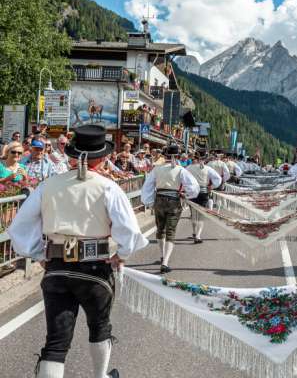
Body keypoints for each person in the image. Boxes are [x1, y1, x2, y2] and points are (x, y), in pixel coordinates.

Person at [8, 124, 149, 378]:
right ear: (103, 157)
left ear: (72, 154)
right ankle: (100, 376)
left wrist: (40, 254)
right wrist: (121, 256)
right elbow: (129, 231)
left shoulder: (48, 186)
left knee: (56, 342)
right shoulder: (108, 187)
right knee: (99, 327)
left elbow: (19, 227)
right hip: (95, 267)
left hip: (57, 266)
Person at [142, 145, 200, 273]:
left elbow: (147, 187)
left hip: (159, 200)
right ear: (178, 156)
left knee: (160, 230)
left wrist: (150, 202)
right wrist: (187, 195)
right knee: (170, 231)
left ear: (165, 155)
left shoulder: (156, 169)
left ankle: (162, 256)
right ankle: (165, 262)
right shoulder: (180, 170)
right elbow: (194, 187)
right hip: (174, 201)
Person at [186, 152, 222, 243]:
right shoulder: (207, 168)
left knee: (193, 213)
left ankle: (194, 232)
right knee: (201, 214)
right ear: (204, 159)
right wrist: (212, 187)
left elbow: (184, 179)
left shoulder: (189, 167)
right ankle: (198, 236)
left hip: (192, 192)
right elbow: (218, 179)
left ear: (196, 158)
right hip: (203, 192)